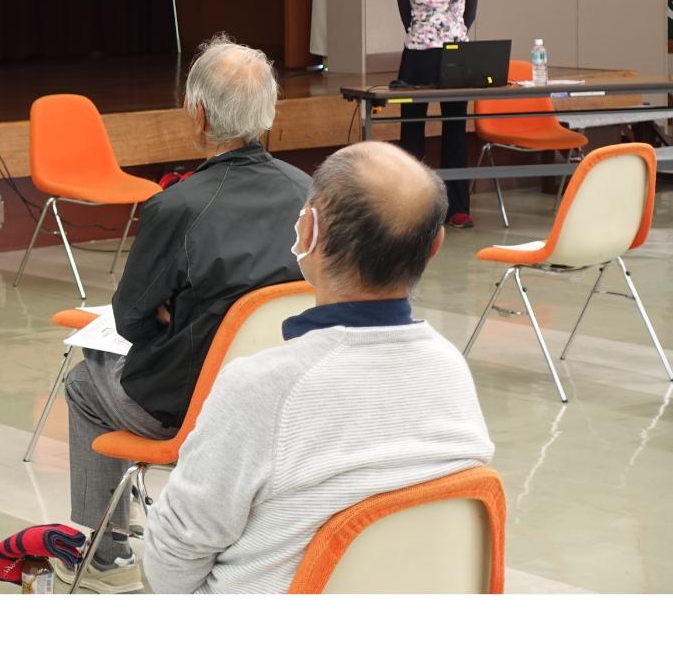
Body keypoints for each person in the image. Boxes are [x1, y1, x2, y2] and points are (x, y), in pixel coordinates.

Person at [142, 141, 494, 594]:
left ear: (307, 231)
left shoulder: (261, 388)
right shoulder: (450, 368)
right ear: (435, 246)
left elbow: (171, 562)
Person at [52, 35, 310, 593]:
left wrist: (173, 312)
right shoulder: (309, 193)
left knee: (83, 382)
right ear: (269, 112)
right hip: (289, 399)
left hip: (191, 405)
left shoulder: (178, 206)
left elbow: (132, 320)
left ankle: (106, 557)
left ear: (198, 114)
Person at [395, 0, 480, 228]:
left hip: (456, 58)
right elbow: (407, 18)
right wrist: (429, 37)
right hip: (416, 58)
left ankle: (457, 208)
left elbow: (469, 14)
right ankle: (412, 209)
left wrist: (449, 38)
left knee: (455, 132)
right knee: (412, 134)